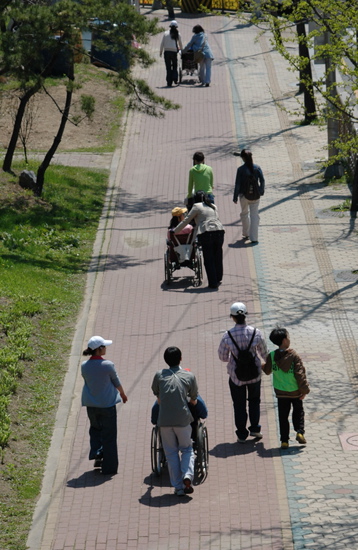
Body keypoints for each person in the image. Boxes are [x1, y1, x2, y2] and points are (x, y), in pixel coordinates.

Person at [151, 346, 198, 496]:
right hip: (183, 420)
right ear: (180, 359)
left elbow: (156, 393)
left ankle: (178, 487)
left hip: (164, 420)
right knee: (187, 449)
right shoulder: (189, 376)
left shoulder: (159, 375)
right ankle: (187, 475)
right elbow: (194, 397)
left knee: (170, 453)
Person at [218, 302, 268, 443]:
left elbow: (222, 357)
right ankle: (255, 429)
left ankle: (241, 433)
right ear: (246, 315)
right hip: (254, 374)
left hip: (236, 376)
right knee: (254, 401)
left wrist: (232, 359)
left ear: (232, 317)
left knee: (239, 404)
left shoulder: (227, 335)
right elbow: (264, 353)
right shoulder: (256, 333)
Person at [81, 335, 128, 475]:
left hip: (91, 405)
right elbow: (116, 381)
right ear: (99, 349)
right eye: (104, 346)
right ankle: (109, 467)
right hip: (107, 405)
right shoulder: (108, 365)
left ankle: (97, 452)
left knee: (95, 429)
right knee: (109, 435)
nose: (106, 348)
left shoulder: (84, 366)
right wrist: (123, 395)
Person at [263, 327, 310, 449]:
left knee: (283, 416)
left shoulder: (272, 356)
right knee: (298, 412)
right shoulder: (294, 356)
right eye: (288, 337)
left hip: (280, 393)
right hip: (295, 392)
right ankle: (299, 432)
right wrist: (304, 390)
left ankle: (284, 440)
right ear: (284, 340)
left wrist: (262, 364)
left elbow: (267, 371)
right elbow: (300, 374)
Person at [174, 191, 225, 289]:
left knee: (209, 259)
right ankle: (218, 278)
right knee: (217, 256)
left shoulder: (196, 206)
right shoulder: (213, 206)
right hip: (220, 231)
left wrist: (176, 230)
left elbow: (186, 220)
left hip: (206, 233)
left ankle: (213, 283)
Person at [233, 149, 265, 243]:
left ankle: (246, 233)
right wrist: (261, 191)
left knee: (244, 214)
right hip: (255, 195)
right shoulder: (257, 168)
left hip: (244, 196)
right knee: (254, 215)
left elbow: (237, 184)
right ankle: (254, 238)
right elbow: (262, 180)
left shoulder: (241, 169)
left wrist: (235, 196)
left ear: (243, 158)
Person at [159, 20, 183, 87]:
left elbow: (162, 43)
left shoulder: (166, 33)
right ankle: (175, 78)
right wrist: (181, 50)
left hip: (166, 52)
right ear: (176, 27)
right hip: (174, 52)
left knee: (168, 67)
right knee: (175, 65)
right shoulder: (177, 34)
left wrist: (160, 52)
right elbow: (180, 43)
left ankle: (169, 82)